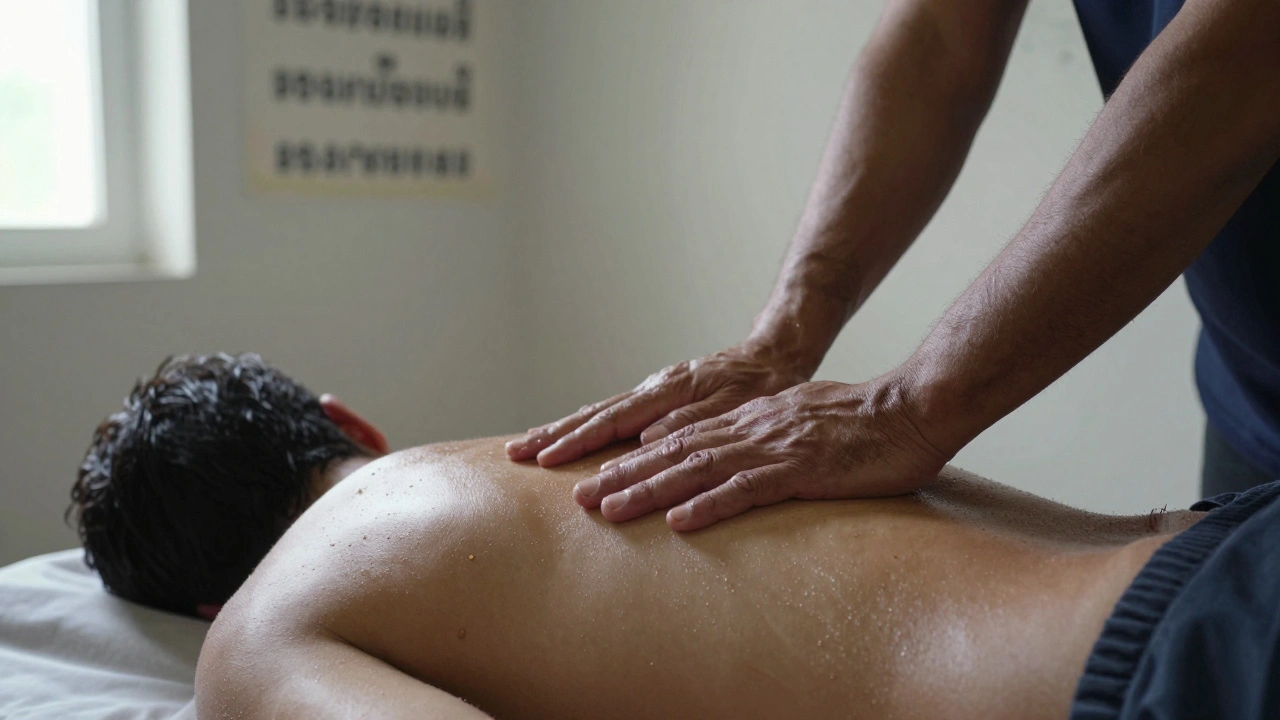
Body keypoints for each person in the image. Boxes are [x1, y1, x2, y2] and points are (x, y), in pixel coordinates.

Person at [65, 354, 1280, 719]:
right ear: (351, 421)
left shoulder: (264, 628)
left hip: (1175, 669)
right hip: (1226, 551)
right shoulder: (584, 442)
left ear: (206, 606)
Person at [505, 0, 1280, 531]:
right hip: (1250, 398)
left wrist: (906, 410)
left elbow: (1242, 53)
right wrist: (780, 341)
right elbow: (939, 38)